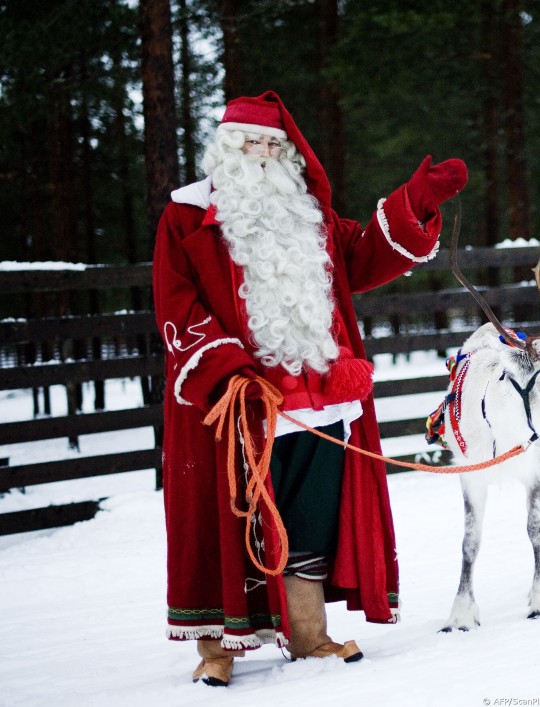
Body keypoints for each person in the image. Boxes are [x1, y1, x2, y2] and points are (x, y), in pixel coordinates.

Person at [152, 90, 467, 686]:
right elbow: (176, 302)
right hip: (239, 402)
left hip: (323, 398)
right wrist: (227, 373)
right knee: (229, 518)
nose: (265, 154)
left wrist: (414, 204)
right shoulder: (185, 218)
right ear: (226, 148)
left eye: (275, 144)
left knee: (311, 516)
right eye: (253, 142)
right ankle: (218, 649)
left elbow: (367, 257)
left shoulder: (310, 215)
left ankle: (308, 633)